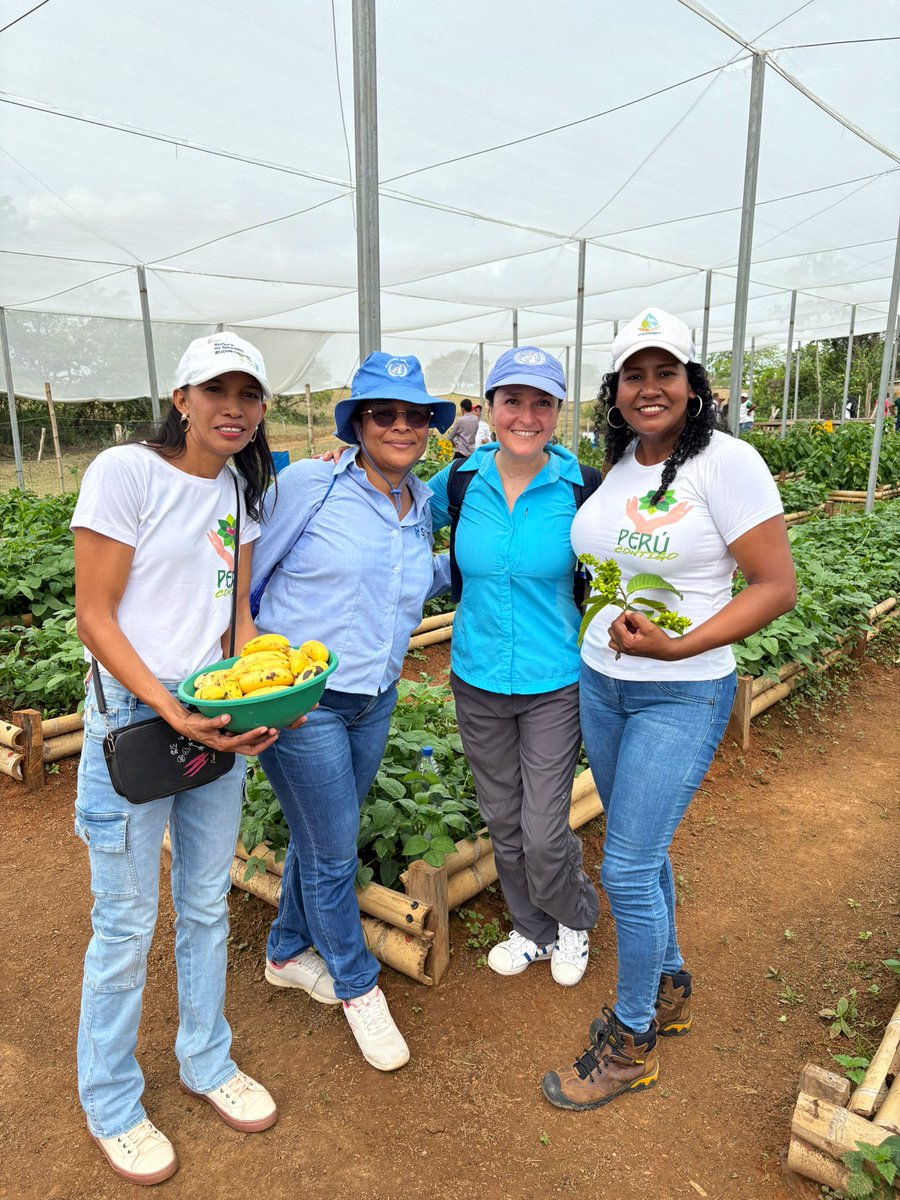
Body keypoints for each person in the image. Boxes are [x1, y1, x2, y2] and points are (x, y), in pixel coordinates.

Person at [541, 307, 796, 1112]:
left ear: (693, 385)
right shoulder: (619, 466)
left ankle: (633, 1038)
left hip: (681, 691)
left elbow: (775, 586)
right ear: (614, 392)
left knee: (622, 864)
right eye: (633, 376)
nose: (648, 389)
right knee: (641, 853)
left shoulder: (728, 462)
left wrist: (681, 647)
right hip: (603, 683)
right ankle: (672, 978)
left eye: (665, 373)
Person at [71, 333, 282, 1185]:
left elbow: (236, 620)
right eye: (217, 390)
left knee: (203, 904)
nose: (234, 407)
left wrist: (267, 688)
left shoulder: (240, 492)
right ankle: (112, 1100)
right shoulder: (126, 472)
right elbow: (95, 615)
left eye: (250, 394)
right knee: (125, 923)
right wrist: (170, 708)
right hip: (138, 708)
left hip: (214, 705)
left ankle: (205, 1058)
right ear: (182, 397)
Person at [250, 353, 454, 1072]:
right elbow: (248, 578)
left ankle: (283, 952)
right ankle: (357, 987)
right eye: (383, 413)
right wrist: (260, 684)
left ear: (430, 425)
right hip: (306, 705)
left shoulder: (422, 501)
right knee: (337, 850)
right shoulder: (310, 485)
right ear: (358, 423)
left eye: (413, 414)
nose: (400, 425)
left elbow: (408, 582)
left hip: (375, 696)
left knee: (319, 834)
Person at [427, 346, 601, 988]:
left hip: (554, 679)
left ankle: (576, 917)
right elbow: (392, 502)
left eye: (541, 403)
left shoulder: (583, 487)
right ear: (490, 407)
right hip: (475, 677)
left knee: (543, 828)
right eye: (512, 401)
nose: (525, 416)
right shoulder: (461, 482)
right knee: (501, 816)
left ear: (557, 411)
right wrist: (346, 462)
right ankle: (532, 928)